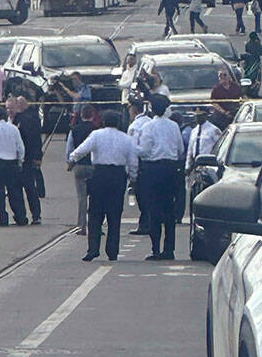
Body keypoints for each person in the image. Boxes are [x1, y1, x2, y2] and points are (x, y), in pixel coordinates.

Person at [68, 110, 138, 262]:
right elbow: (133, 162)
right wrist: (133, 177)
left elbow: (81, 149)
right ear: (119, 123)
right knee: (114, 215)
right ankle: (112, 251)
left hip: (99, 174)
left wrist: (72, 158)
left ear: (103, 122)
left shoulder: (96, 135)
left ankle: (93, 249)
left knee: (95, 214)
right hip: (118, 175)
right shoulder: (126, 139)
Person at [136, 95, 184, 260]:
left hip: (153, 169)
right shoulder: (174, 126)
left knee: (154, 209)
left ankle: (155, 249)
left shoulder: (148, 127)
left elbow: (144, 150)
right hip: (171, 168)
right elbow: (180, 149)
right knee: (169, 210)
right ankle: (169, 249)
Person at [10, 96, 44, 219]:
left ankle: (35, 214)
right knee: (16, 189)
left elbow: (35, 139)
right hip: (12, 160)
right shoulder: (9, 121)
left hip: (26, 158)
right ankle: (21, 215)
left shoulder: (28, 119)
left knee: (29, 187)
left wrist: (37, 156)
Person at [64, 105, 96, 235]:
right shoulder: (97, 130)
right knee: (95, 197)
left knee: (82, 198)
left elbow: (69, 148)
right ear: (93, 116)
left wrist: (69, 162)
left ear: (81, 115)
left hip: (79, 166)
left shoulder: (74, 130)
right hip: (94, 167)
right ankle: (95, 224)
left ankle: (82, 226)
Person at [127, 100, 153, 236]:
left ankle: (145, 224)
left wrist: (132, 172)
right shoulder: (151, 121)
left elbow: (132, 150)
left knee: (142, 197)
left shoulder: (135, 126)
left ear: (135, 110)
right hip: (154, 163)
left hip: (141, 165)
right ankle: (149, 222)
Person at [185, 108, 222, 173]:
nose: (197, 118)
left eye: (200, 116)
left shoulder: (213, 130)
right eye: (196, 116)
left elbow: (220, 146)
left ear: (205, 116)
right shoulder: (194, 131)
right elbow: (190, 150)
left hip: (208, 163)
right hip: (195, 163)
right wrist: (187, 165)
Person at [242, 32, 262, 97]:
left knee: (248, 76)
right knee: (257, 78)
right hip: (256, 63)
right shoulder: (257, 44)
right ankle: (255, 92)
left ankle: (247, 91)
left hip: (248, 63)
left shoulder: (247, 44)